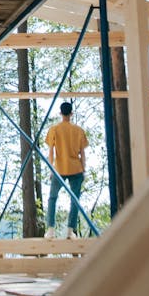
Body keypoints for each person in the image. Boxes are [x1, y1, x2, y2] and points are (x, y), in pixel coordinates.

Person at [43, 101, 88, 238]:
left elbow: (51, 152)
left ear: (60, 113)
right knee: (75, 200)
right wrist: (84, 169)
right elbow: (82, 153)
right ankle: (70, 230)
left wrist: (51, 169)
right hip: (76, 168)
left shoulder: (54, 129)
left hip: (59, 169)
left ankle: (50, 229)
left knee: (52, 198)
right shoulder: (79, 130)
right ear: (71, 113)